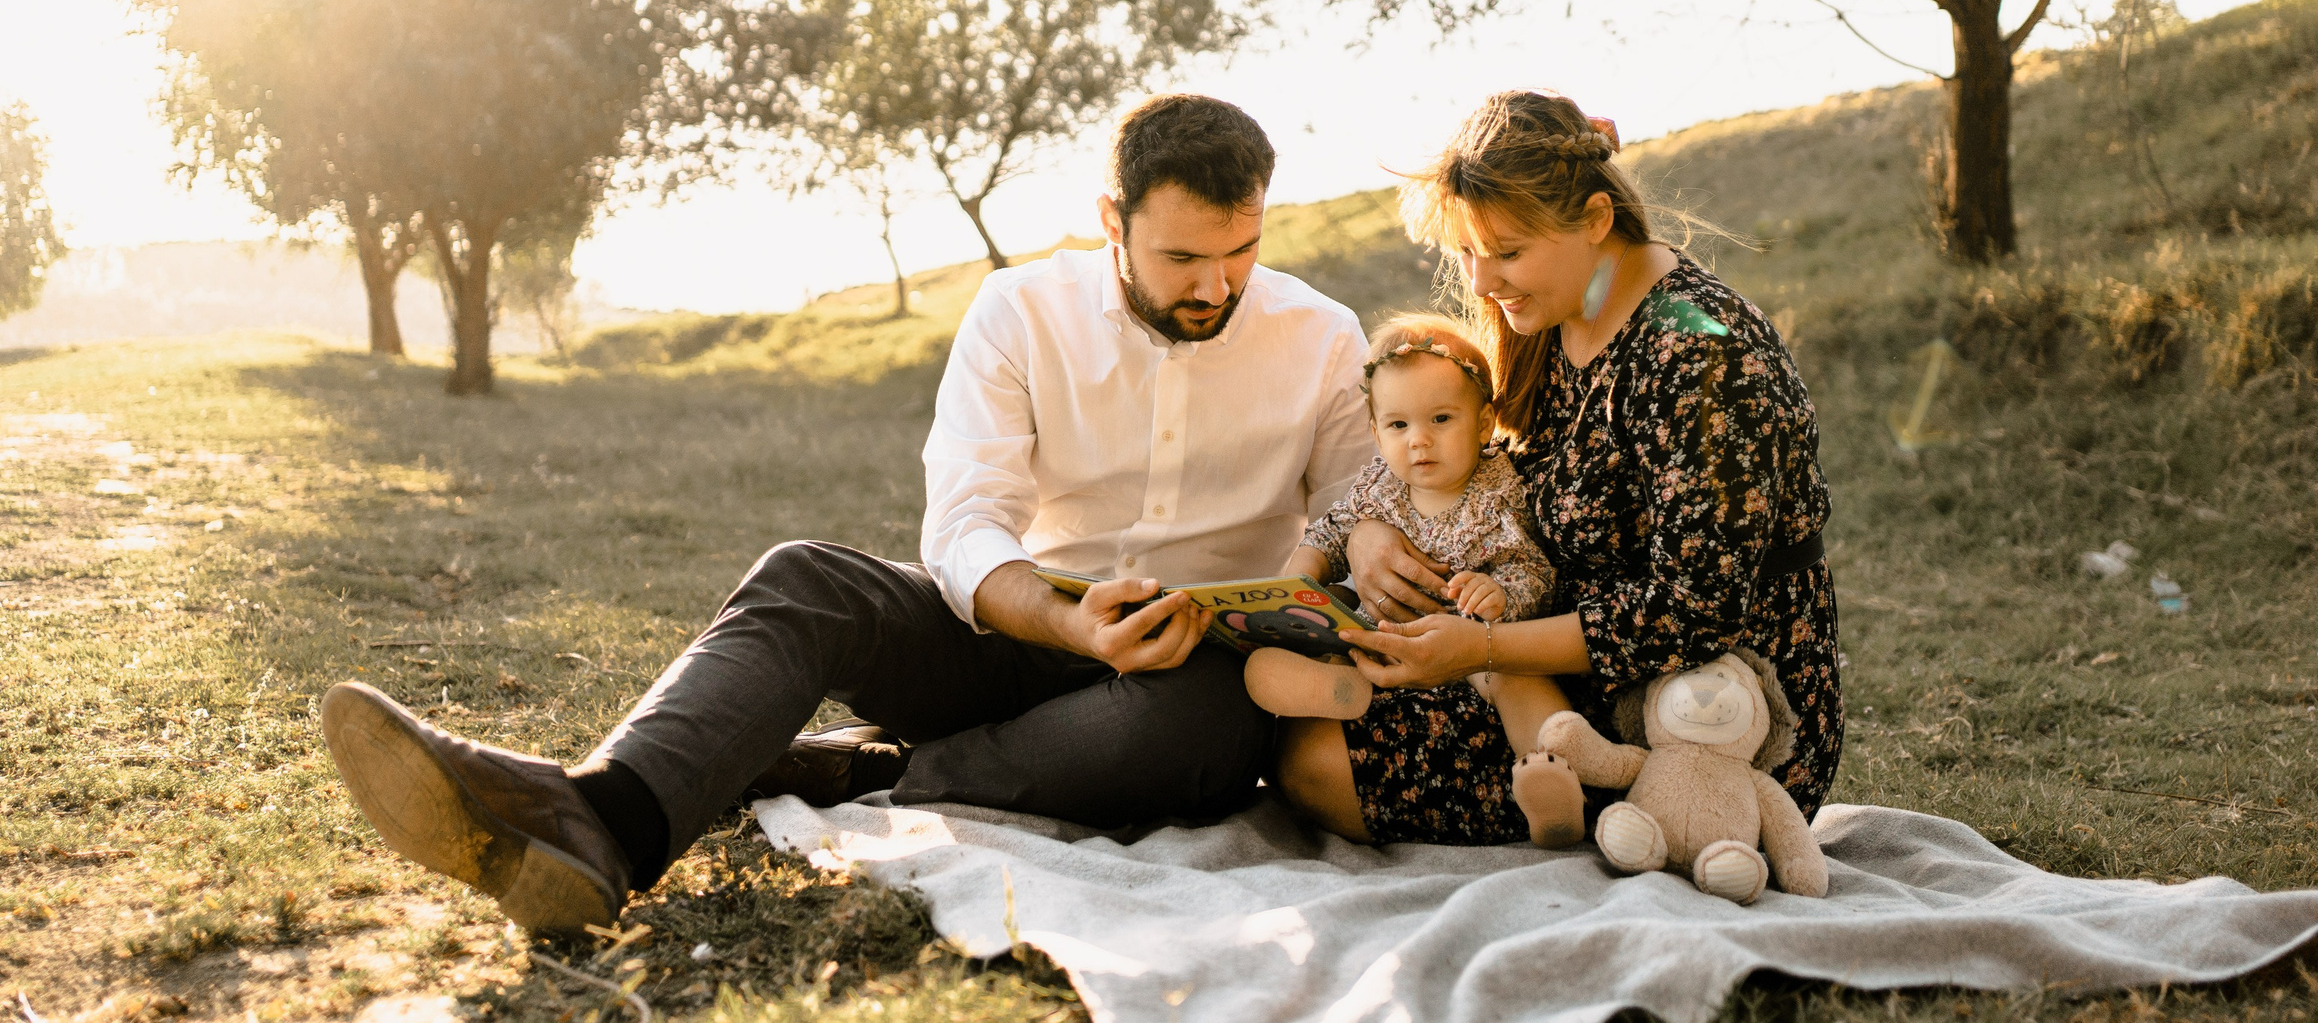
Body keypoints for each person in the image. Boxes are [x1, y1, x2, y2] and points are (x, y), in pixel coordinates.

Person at [318, 95, 1372, 930]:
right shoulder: (1020, 310)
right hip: (1023, 636)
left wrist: (1344, 573)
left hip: (1179, 684)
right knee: (806, 578)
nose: (1216, 285)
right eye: (1182, 258)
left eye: (1240, 251)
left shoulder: (1321, 338)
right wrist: (1065, 621)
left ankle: (860, 769)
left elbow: (1357, 516)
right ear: (1111, 223)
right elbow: (966, 523)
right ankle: (605, 819)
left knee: (1219, 720)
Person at [1270, 90, 1841, 847]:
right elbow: (1485, 471)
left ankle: (1630, 815)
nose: (1479, 282)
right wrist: (1373, 532)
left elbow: (1692, 610)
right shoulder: (1558, 310)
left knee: (1319, 764)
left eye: (1506, 252)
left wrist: (1483, 648)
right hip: (1545, 655)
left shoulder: (1702, 352)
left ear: (1597, 220)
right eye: (1467, 251)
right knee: (1301, 730)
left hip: (1704, 707)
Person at [1242, 313, 1587, 848]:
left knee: (1515, 678)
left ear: (1483, 423)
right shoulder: (1379, 484)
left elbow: (1533, 568)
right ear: (1376, 431)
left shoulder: (1499, 489)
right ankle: (1331, 685)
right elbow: (1331, 532)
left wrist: (1500, 595)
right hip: (1381, 635)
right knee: (1338, 634)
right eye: (1399, 426)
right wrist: (1299, 581)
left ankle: (1553, 777)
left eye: (1441, 419)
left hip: (1472, 645)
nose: (1419, 441)